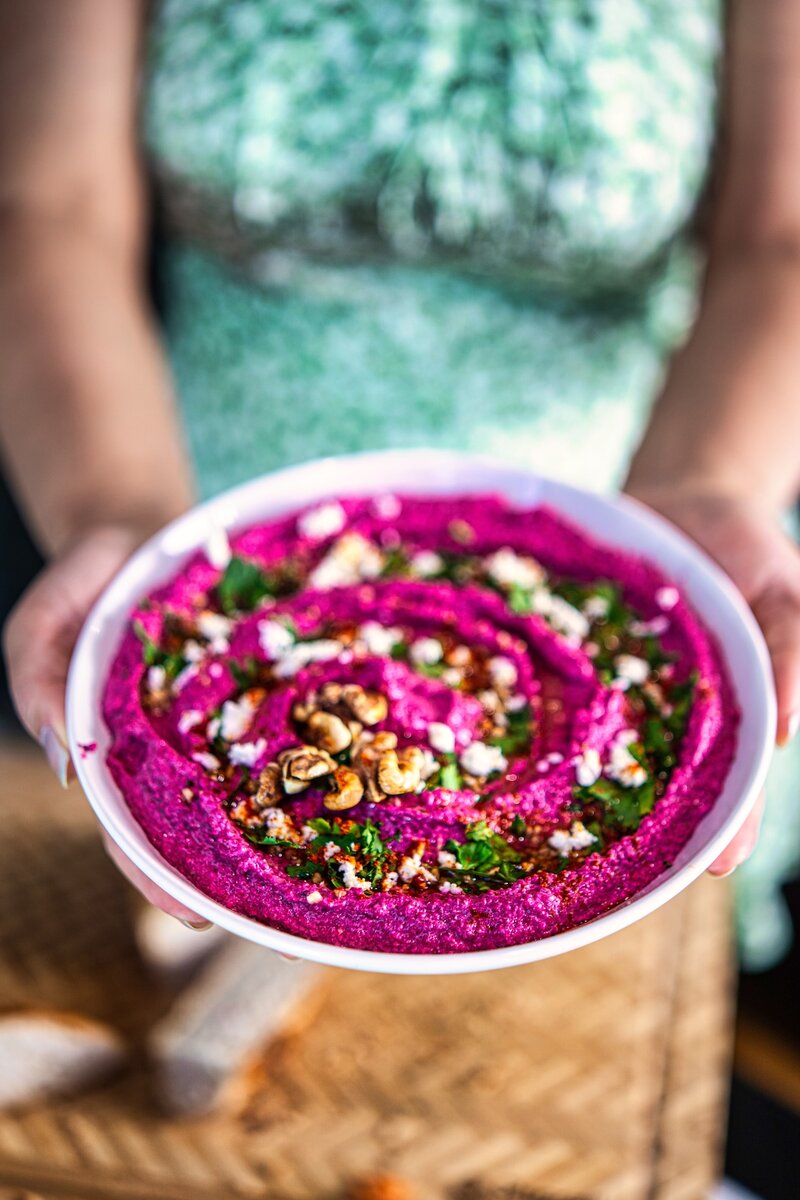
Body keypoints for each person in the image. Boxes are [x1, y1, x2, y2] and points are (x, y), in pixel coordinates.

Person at [2, 1, 799, 962]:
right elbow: (54, 205)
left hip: (641, 516)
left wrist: (707, 486)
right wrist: (114, 510)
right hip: (185, 510)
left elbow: (782, 234)